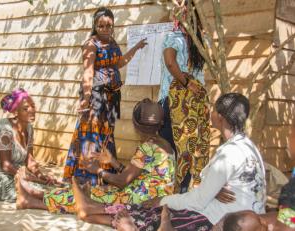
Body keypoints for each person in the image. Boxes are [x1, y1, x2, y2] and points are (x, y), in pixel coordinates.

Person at [69, 93, 266, 231]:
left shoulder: (228, 154)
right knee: (156, 208)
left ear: (221, 118)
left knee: (158, 213)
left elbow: (198, 200)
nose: (210, 113)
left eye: (213, 110)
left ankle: (90, 211)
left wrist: (164, 200)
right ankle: (91, 210)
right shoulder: (249, 147)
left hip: (227, 221)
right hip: (238, 213)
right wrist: (212, 190)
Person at [16, 99, 175, 213]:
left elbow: (121, 182)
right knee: (94, 190)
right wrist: (112, 162)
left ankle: (31, 202)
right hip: (148, 195)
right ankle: (39, 194)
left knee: (91, 196)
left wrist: (97, 170)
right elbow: (134, 175)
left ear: (136, 126)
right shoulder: (164, 144)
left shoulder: (147, 147)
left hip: (141, 201)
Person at [62, 7, 147, 186]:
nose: (105, 29)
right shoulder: (91, 45)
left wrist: (136, 48)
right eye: (101, 25)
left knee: (107, 134)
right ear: (95, 25)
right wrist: (86, 99)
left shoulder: (113, 43)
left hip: (112, 98)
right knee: (91, 134)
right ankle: (85, 178)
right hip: (96, 97)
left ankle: (104, 175)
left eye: (108, 25)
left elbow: (120, 62)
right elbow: (88, 72)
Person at [158, 0, 210, 192]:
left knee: (170, 147)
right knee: (191, 147)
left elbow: (170, 63)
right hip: (195, 102)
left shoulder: (175, 36)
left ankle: (169, 191)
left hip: (174, 102)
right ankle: (186, 189)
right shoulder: (199, 41)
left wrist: (185, 82)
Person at [0, 89, 54, 202]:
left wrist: (41, 176)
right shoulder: (4, 129)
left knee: (48, 187)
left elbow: (30, 161)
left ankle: (62, 198)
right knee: (36, 192)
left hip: (15, 175)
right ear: (16, 112)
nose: (32, 110)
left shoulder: (29, 128)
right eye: (25, 108)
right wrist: (35, 180)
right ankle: (59, 200)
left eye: (33, 106)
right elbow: (6, 166)